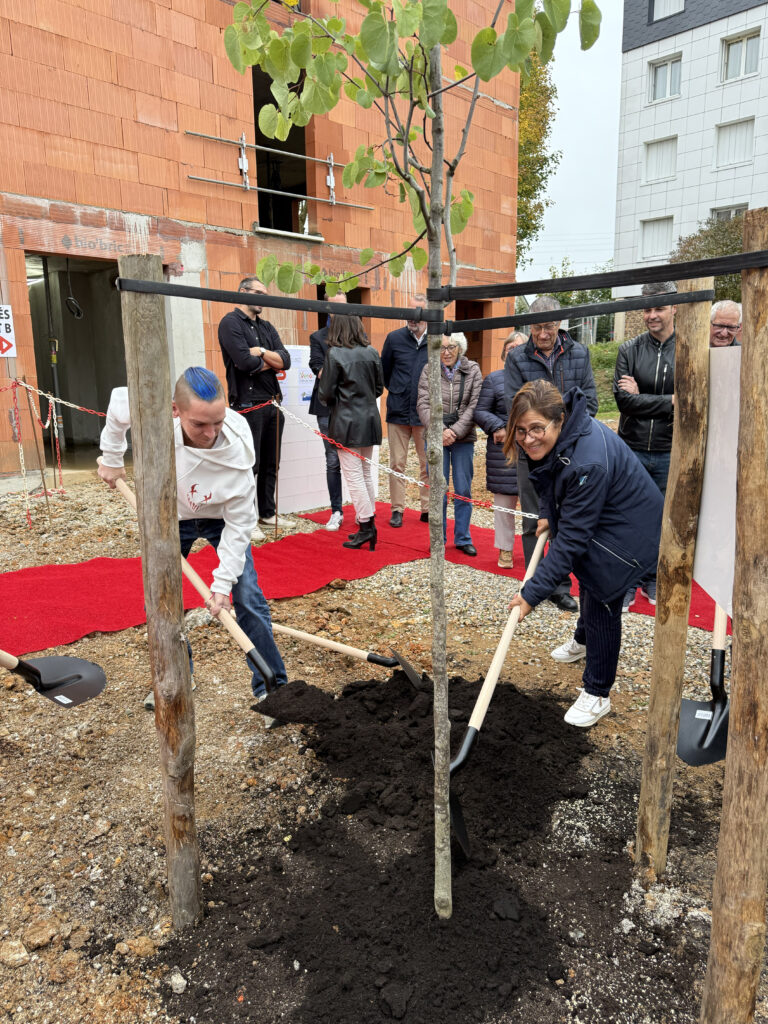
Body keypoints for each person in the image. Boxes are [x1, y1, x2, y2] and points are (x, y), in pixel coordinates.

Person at [97, 367, 288, 713]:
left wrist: (221, 586)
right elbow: (117, 403)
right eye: (199, 424)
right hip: (171, 516)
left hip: (221, 519)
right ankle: (176, 678)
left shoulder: (239, 449)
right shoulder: (154, 412)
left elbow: (239, 526)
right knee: (159, 599)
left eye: (217, 420)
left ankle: (273, 688)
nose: (211, 432)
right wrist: (111, 459)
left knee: (248, 597)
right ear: (175, 409)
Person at [506, 380, 663, 728]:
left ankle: (597, 693)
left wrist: (531, 594)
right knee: (591, 580)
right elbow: (547, 476)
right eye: (520, 430)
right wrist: (548, 509)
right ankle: (582, 639)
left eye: (536, 429)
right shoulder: (570, 433)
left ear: (558, 421)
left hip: (629, 534)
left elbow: (572, 541)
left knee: (602, 593)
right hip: (611, 519)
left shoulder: (587, 463)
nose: (528, 439)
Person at [504, 296, 598, 612]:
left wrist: (560, 433)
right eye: (537, 326)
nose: (543, 333)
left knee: (564, 519)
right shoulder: (517, 357)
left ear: (559, 324)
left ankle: (560, 586)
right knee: (534, 519)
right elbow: (513, 405)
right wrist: (537, 433)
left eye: (549, 326)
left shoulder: (579, 354)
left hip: (569, 452)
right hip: (530, 450)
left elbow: (590, 403)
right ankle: (534, 584)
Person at [613, 280, 677, 611]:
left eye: (659, 308)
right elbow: (624, 402)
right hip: (632, 447)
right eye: (648, 309)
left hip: (670, 449)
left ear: (674, 308)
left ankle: (652, 577)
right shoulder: (629, 350)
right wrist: (671, 401)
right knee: (628, 516)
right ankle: (627, 582)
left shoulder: (690, 348)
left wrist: (644, 398)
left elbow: (693, 400)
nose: (652, 315)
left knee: (662, 518)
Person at [218, 277, 292, 537]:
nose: (262, 298)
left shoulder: (267, 327)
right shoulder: (230, 323)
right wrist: (270, 360)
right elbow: (244, 363)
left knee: (272, 462)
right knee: (251, 464)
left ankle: (267, 513)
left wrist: (260, 351)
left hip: (273, 402)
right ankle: (246, 520)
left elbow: (286, 361)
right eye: (258, 293)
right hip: (247, 404)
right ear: (242, 292)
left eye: (265, 293)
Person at [318, 315, 384, 551]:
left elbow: (325, 393)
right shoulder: (372, 352)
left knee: (354, 476)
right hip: (369, 418)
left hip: (346, 421)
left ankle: (366, 526)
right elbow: (378, 388)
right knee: (365, 472)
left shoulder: (335, 354)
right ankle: (368, 522)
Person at [416, 333, 482, 556]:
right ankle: (438, 538)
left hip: (463, 438)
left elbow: (475, 404)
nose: (446, 352)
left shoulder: (472, 369)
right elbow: (423, 404)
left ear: (460, 348)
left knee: (463, 489)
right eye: (441, 348)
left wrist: (454, 431)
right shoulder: (429, 369)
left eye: (451, 347)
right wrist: (440, 431)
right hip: (436, 436)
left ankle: (463, 538)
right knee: (438, 490)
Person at [474, 333, 525, 568]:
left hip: (533, 448)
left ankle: (534, 552)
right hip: (503, 452)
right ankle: (505, 550)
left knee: (535, 506)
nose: (514, 350)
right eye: (510, 346)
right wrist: (498, 426)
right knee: (504, 505)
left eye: (519, 346)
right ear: (504, 352)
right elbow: (481, 411)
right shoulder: (493, 380)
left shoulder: (536, 378)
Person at [381, 295, 430, 527]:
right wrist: (399, 390)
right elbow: (385, 372)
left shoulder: (437, 340)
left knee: (427, 463)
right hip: (398, 412)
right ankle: (397, 509)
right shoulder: (394, 339)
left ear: (427, 314)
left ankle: (427, 509)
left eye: (418, 313)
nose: (412, 318)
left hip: (425, 414)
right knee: (397, 463)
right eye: (409, 312)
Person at [309, 292, 348, 531]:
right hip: (326, 407)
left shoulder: (357, 335)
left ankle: (363, 511)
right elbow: (319, 370)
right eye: (336, 306)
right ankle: (336, 510)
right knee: (333, 460)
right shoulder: (318, 337)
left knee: (355, 460)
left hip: (351, 407)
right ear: (328, 308)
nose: (340, 311)